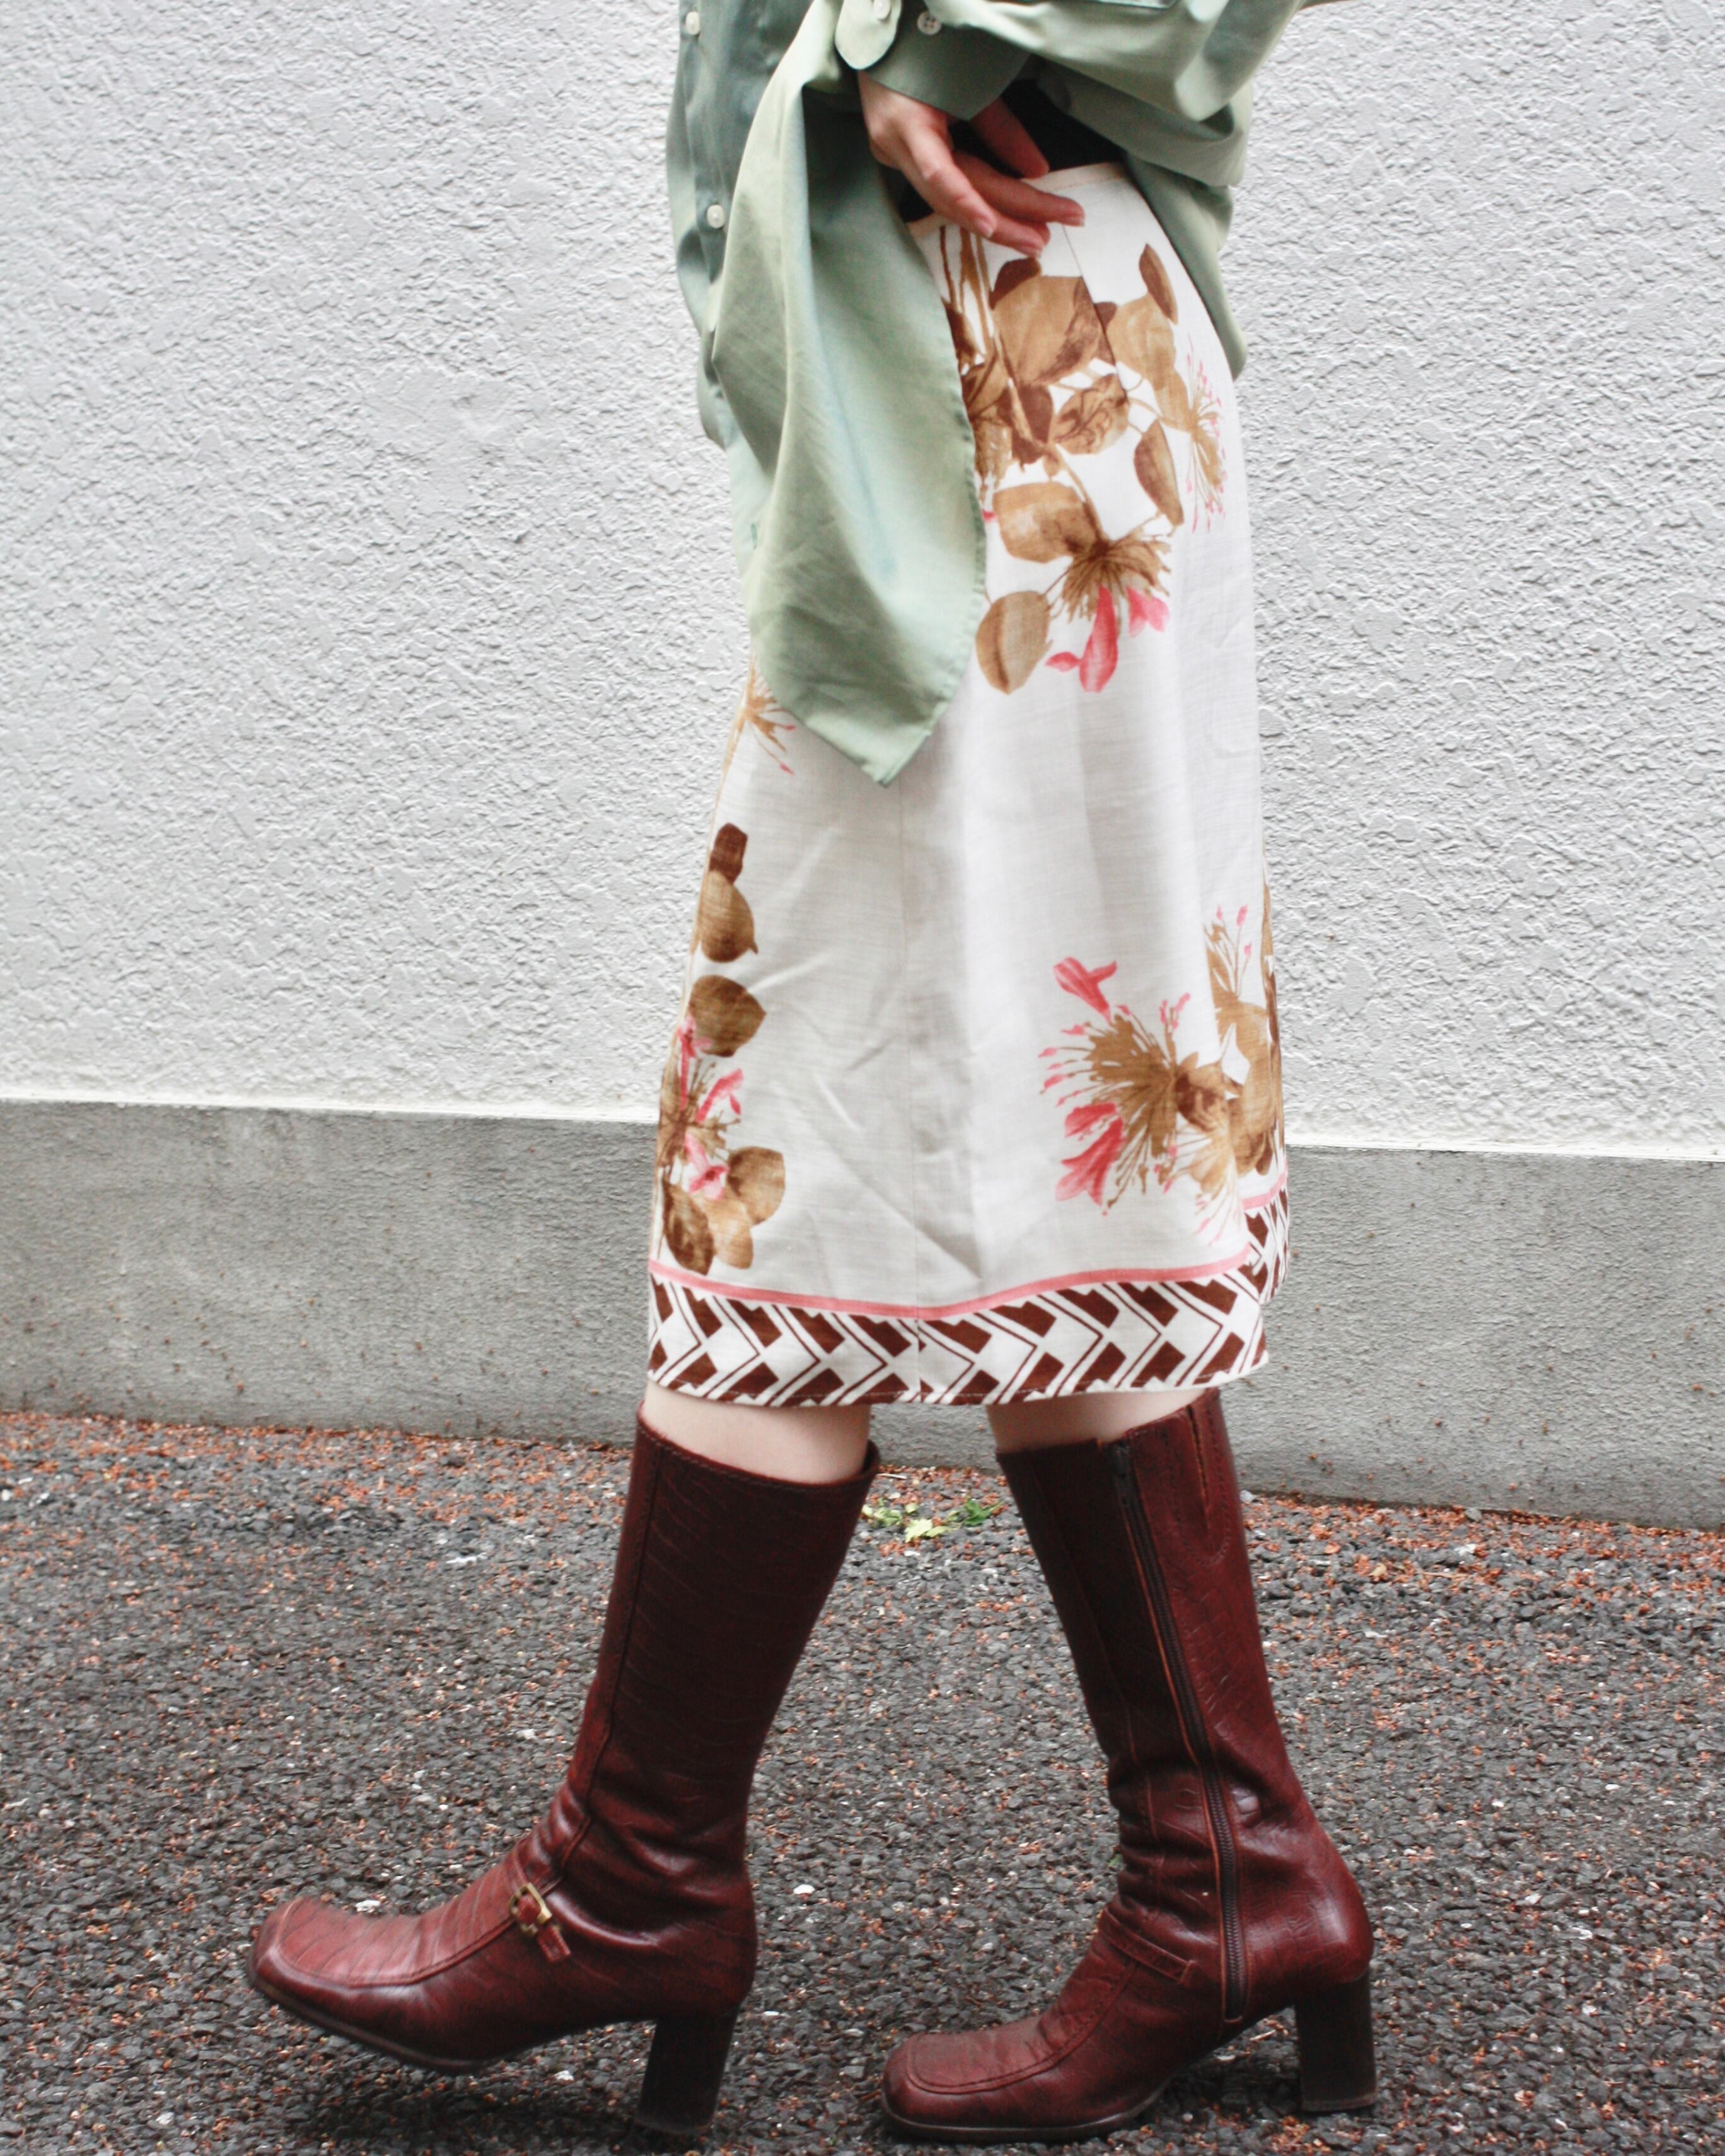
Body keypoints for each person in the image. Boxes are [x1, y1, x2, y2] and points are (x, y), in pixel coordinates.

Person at [248, 1, 1377, 2142]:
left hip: (1014, 381)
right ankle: (1220, 1870)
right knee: (1031, 1155)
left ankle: (638, 1882)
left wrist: (921, 42)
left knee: (781, 1128)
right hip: (999, 371)